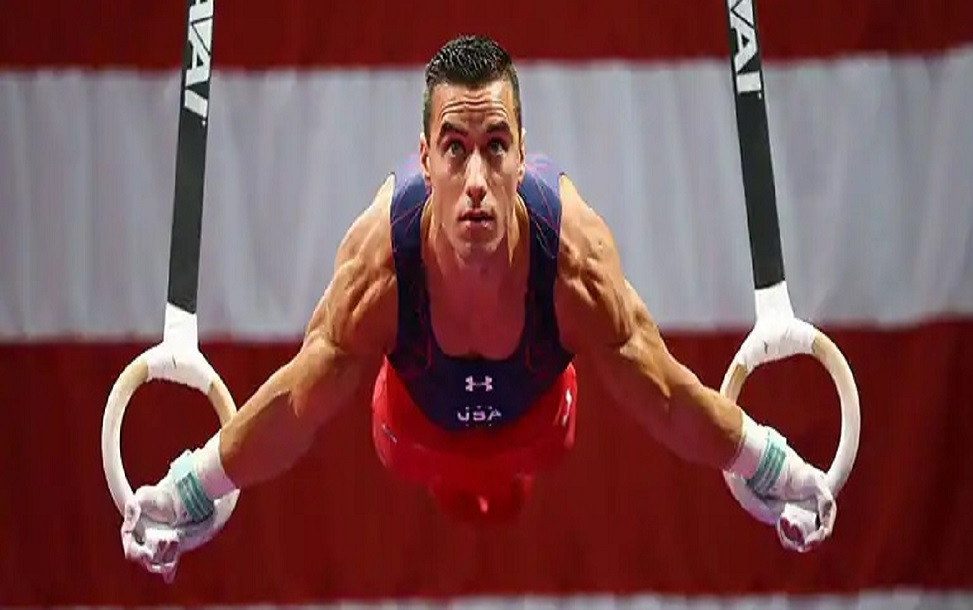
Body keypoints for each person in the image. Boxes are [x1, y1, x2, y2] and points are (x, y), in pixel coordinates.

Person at [121, 35, 836, 578]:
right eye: (454, 149)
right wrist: (190, 490)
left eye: (495, 147)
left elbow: (670, 398)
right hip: (414, 434)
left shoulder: (574, 265)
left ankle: (500, 472)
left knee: (512, 482)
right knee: (443, 472)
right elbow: (295, 408)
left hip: (536, 430)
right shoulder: (380, 268)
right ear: (424, 158)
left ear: (523, 157)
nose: (475, 180)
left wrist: (776, 468)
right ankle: (460, 472)